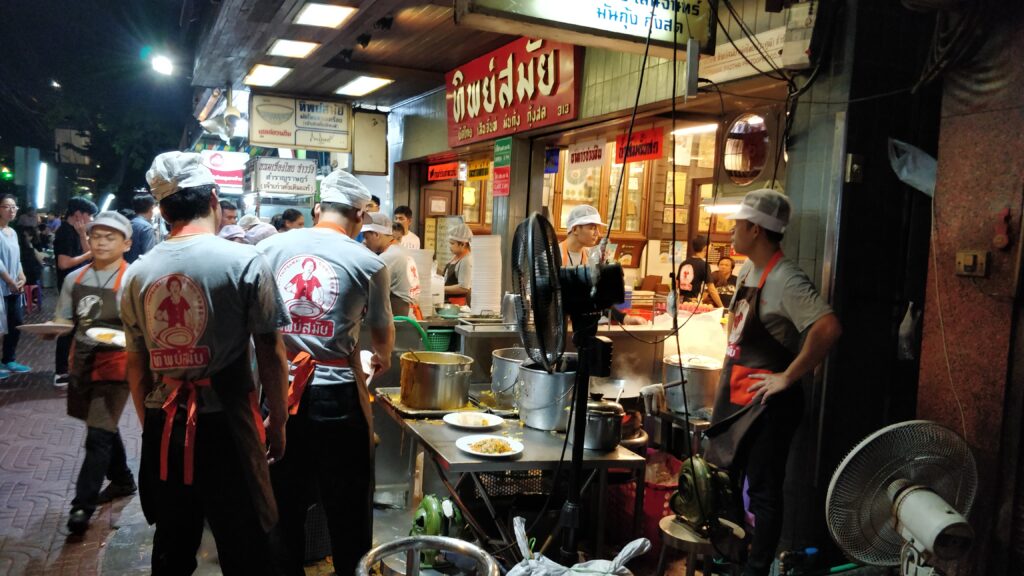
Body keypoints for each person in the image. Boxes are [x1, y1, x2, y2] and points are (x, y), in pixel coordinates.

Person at [121, 151, 290, 575]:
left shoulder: (137, 273)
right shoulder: (244, 261)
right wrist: (279, 420)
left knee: (173, 544)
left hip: (166, 424)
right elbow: (271, 350)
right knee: (245, 544)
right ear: (214, 198)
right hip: (229, 424)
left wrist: (150, 421)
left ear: (162, 210)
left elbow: (136, 364)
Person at [257, 168, 394, 576]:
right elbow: (381, 332)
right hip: (337, 397)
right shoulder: (369, 261)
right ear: (359, 216)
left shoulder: (268, 248)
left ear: (318, 209)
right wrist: (380, 358)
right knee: (348, 506)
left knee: (283, 503)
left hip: (279, 391)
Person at [704, 189, 842, 576]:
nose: (732, 230)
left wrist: (788, 376)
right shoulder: (748, 271)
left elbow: (828, 327)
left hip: (768, 408)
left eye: (738, 224)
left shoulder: (786, 278)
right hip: (738, 398)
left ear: (756, 229)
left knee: (764, 491)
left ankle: (756, 568)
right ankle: (732, 559)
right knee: (727, 482)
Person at [53, 211, 137, 533]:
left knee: (97, 435)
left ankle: (81, 508)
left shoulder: (133, 279)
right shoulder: (74, 279)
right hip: (83, 361)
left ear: (126, 244)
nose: (101, 242)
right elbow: (63, 320)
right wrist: (52, 330)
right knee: (102, 425)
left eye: (110, 237)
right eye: (96, 236)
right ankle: (123, 479)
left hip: (118, 365)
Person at [559, 205, 646, 325]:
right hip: (558, 327)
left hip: (582, 325)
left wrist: (625, 318)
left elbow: (599, 299)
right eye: (592, 228)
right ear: (575, 229)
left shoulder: (590, 257)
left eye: (597, 228)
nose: (597, 233)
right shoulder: (553, 255)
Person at [53, 197, 98, 388]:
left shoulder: (77, 231)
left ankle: (73, 367)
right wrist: (89, 253)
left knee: (79, 328)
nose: (92, 219)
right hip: (68, 287)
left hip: (80, 286)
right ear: (78, 214)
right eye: (90, 215)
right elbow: (64, 263)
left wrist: (82, 236)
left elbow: (89, 258)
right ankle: (61, 372)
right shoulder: (64, 232)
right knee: (68, 329)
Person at [362, 212, 421, 317]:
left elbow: (368, 289)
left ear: (376, 234)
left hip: (400, 317)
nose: (364, 242)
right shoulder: (401, 250)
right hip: (411, 314)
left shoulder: (388, 257)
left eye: (366, 237)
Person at [0, 195, 29, 375]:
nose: (11, 210)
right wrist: (10, 281)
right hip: (3, 286)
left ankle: (9, 359)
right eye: (6, 206)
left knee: (15, 323)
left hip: (13, 288)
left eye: (14, 207)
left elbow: (17, 259)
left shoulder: (13, 232)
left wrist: (21, 276)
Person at [677, 236, 723, 308]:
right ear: (705, 248)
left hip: (680, 302)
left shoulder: (684, 263)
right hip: (691, 304)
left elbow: (676, 284)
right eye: (710, 246)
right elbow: (712, 290)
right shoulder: (703, 265)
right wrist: (721, 307)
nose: (711, 248)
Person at [442, 222, 473, 304]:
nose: (450, 246)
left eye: (452, 243)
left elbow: (464, 287)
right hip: (448, 302)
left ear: (463, 244)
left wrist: (441, 289)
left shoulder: (466, 261)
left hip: (458, 305)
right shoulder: (456, 256)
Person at [125, 192, 158, 264]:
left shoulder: (127, 224)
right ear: (152, 208)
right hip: (140, 269)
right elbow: (149, 256)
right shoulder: (147, 228)